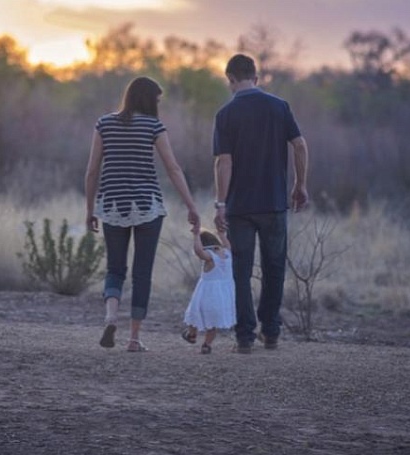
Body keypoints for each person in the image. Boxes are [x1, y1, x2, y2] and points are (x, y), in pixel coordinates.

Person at [85, 76, 200, 352]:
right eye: (157, 100)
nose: (159, 106)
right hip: (147, 205)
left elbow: (92, 171)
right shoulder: (154, 126)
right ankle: (134, 339)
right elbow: (172, 168)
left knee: (115, 268)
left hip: (112, 204)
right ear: (149, 100)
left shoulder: (104, 124)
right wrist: (191, 205)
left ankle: (111, 316)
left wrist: (90, 209)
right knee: (142, 272)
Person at [212, 54, 309, 354]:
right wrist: (299, 184)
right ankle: (271, 331)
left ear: (230, 79)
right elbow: (300, 145)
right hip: (274, 203)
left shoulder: (225, 114)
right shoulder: (279, 107)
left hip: (240, 206)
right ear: (256, 77)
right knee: (274, 267)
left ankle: (244, 337)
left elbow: (223, 163)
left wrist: (220, 203)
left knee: (240, 271)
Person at [181, 228, 236, 354]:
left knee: (194, 313)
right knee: (213, 323)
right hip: (223, 297)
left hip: (206, 294)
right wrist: (221, 234)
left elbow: (199, 251)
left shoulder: (210, 257)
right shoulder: (227, 253)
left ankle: (192, 334)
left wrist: (196, 236)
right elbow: (227, 243)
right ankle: (207, 344)